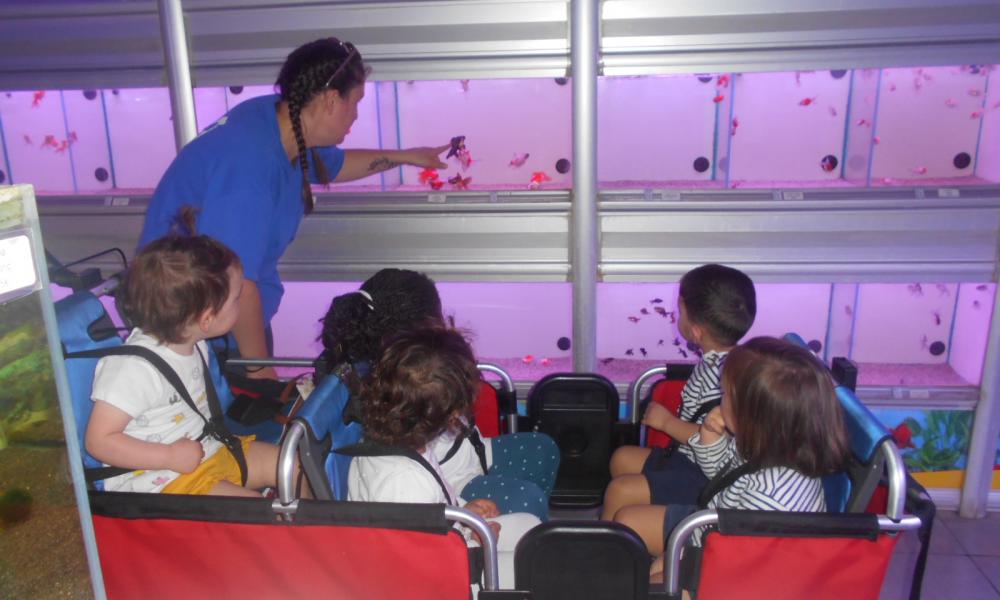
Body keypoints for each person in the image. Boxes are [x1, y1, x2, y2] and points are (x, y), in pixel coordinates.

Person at [139, 38, 450, 379]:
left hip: (230, 314)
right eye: (355, 102)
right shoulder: (249, 167)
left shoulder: (277, 119)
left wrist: (410, 157)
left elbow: (334, 166)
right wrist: (261, 372)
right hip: (197, 325)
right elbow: (238, 282)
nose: (356, 115)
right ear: (331, 100)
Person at [321, 268, 559, 520]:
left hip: (457, 459)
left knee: (544, 448)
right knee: (529, 499)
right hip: (450, 478)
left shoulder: (400, 373)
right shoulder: (411, 387)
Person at [619, 337, 849, 585]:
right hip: (716, 531)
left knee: (650, 585)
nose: (721, 399)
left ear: (750, 416)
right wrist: (710, 438)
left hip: (740, 572)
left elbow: (737, 565)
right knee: (633, 536)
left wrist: (678, 557)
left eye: (726, 394)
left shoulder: (771, 496)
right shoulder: (766, 443)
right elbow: (719, 475)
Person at [85, 223, 289, 497]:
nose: (241, 304)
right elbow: (99, 442)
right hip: (159, 479)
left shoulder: (195, 343)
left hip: (209, 450)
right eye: (236, 299)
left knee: (293, 464)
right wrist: (168, 456)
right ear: (206, 319)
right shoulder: (134, 369)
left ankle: (327, 521)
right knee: (264, 515)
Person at [346, 327, 541, 588]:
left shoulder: (395, 441)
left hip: (443, 537)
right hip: (441, 578)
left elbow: (433, 510)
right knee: (537, 569)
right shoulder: (405, 483)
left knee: (532, 530)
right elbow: (424, 569)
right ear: (450, 414)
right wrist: (480, 544)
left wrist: (461, 512)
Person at [601, 264, 756, 521]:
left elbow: (719, 438)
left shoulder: (725, 376)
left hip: (709, 475)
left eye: (679, 310)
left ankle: (609, 541)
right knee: (622, 458)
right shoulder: (720, 360)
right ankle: (628, 534)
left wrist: (667, 423)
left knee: (620, 491)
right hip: (690, 458)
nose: (675, 315)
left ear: (696, 331)